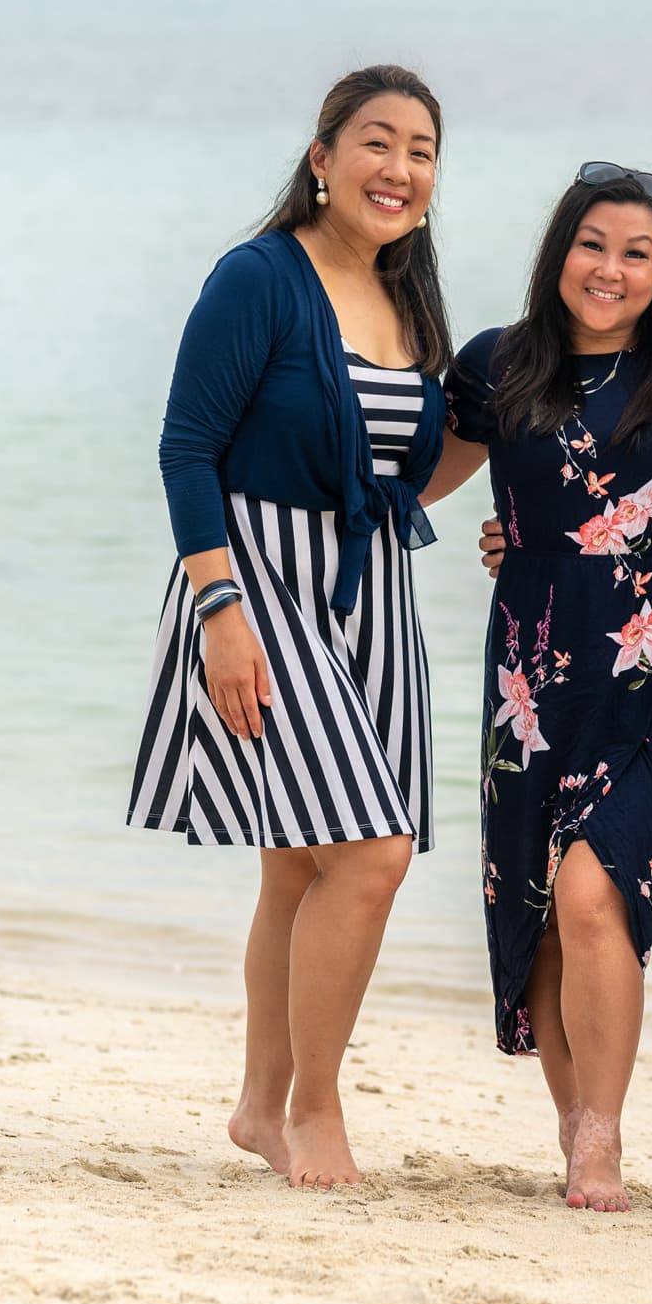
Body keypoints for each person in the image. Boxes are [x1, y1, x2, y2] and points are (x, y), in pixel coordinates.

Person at [125, 64, 452, 1190]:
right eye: (376, 141)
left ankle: (260, 1106)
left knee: (299, 866)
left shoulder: (412, 296)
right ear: (322, 158)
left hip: (371, 598)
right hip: (257, 581)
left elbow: (408, 467)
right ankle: (317, 1107)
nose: (398, 168)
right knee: (371, 852)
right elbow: (186, 449)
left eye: (421, 151)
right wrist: (219, 611)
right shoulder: (258, 276)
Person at [428, 163, 652, 1211]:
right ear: (559, 250)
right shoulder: (496, 366)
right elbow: (412, 481)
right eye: (592, 244)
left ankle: (601, 1135)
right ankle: (575, 1123)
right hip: (534, 673)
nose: (610, 268)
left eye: (636, 253)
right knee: (544, 908)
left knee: (595, 891)